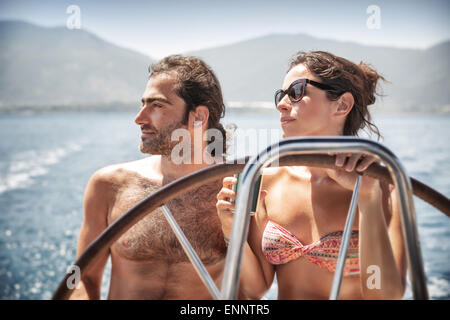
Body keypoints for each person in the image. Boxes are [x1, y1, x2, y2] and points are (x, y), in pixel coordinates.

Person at [216, 51, 407, 300]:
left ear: (342, 105)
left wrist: (368, 200)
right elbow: (255, 288)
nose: (281, 104)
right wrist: (232, 229)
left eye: (296, 92)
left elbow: (385, 296)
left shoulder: (386, 188)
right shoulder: (266, 180)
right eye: (280, 95)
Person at [70, 55, 233, 299]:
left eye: (156, 105)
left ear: (198, 117)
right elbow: (84, 279)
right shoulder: (109, 185)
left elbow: (249, 289)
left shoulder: (236, 189)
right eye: (143, 104)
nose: (139, 118)